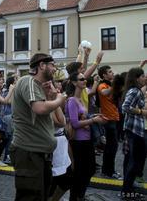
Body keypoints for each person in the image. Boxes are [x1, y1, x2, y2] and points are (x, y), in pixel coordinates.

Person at [10, 53, 66, 201]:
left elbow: (61, 122)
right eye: (52, 65)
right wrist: (59, 99)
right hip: (28, 152)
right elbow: (40, 108)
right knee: (30, 197)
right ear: (42, 65)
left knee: (41, 196)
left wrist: (52, 98)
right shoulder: (28, 81)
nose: (55, 69)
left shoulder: (40, 88)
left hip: (40, 154)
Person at [65, 72, 106, 201]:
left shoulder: (80, 99)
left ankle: (80, 195)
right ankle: (76, 197)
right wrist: (93, 121)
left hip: (86, 140)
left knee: (90, 169)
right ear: (74, 82)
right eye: (81, 79)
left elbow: (81, 118)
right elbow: (75, 123)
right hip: (78, 141)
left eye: (85, 79)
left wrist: (92, 117)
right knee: (79, 172)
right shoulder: (71, 100)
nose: (84, 80)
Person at [121, 67, 146, 199]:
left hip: (135, 129)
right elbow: (125, 107)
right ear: (137, 78)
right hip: (134, 130)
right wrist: (142, 112)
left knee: (131, 160)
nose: (145, 78)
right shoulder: (134, 91)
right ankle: (127, 190)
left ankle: (128, 186)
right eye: (143, 76)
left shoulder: (135, 90)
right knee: (134, 161)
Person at [97, 65, 121, 179]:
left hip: (114, 118)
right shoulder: (102, 85)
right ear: (104, 75)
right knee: (112, 147)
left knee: (111, 147)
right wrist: (115, 83)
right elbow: (105, 93)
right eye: (110, 72)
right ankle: (109, 171)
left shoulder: (110, 85)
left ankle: (107, 171)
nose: (112, 73)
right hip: (108, 120)